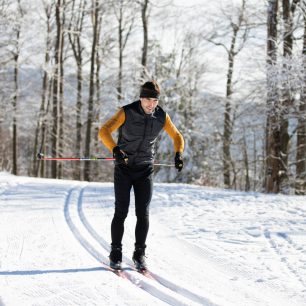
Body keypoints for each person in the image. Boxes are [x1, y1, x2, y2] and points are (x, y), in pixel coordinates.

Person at [98, 80, 184, 271]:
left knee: (142, 213)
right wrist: (115, 149)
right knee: (121, 211)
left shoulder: (161, 116)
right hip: (124, 168)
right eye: (146, 99)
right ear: (140, 98)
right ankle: (116, 252)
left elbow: (177, 136)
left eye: (154, 100)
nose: (150, 104)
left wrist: (178, 153)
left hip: (145, 169)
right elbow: (104, 131)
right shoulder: (127, 111)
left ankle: (139, 254)